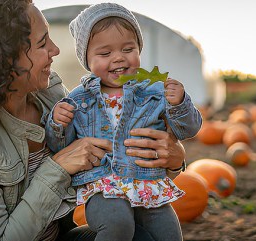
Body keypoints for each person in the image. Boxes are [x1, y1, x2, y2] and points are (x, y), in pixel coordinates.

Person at [0, 1, 187, 240]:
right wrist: (57, 167)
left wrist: (174, 159)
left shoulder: (49, 92)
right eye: (43, 43)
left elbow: (111, 154)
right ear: (2, 58)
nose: (55, 49)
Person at [44, 3, 202, 241]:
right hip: (104, 188)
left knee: (169, 234)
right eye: (105, 54)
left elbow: (188, 129)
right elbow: (61, 148)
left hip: (148, 183)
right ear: (86, 59)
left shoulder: (154, 92)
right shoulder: (78, 99)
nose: (118, 58)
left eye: (128, 49)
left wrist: (179, 104)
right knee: (117, 225)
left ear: (139, 49)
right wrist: (58, 124)